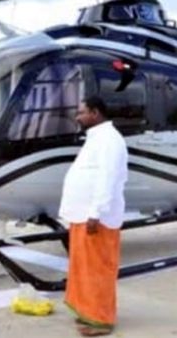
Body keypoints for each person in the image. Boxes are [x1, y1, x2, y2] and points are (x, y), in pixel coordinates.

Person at [58, 96, 128, 337]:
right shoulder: (97, 138)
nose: (78, 117)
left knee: (98, 270)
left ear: (95, 113)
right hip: (83, 215)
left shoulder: (110, 140)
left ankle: (101, 319)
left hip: (96, 218)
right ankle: (87, 310)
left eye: (82, 113)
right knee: (83, 269)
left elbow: (107, 179)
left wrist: (95, 213)